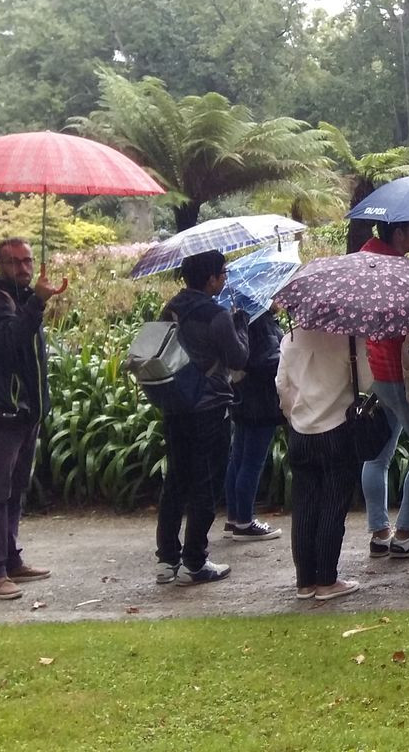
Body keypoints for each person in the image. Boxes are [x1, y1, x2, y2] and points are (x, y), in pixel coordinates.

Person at [0, 238, 66, 600]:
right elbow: (9, 343)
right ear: (0, 265)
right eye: (15, 263)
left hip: (24, 412)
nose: (24, 269)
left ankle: (9, 559)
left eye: (28, 261)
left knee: (14, 490)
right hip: (1, 411)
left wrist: (34, 302)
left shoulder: (20, 299)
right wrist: (38, 301)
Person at [155, 251, 248, 586]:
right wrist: (241, 327)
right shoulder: (216, 314)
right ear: (210, 278)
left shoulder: (171, 309)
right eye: (222, 273)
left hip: (175, 404)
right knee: (206, 483)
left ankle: (166, 560)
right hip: (210, 407)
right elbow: (238, 359)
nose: (224, 278)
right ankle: (195, 559)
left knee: (176, 480)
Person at [278, 324, 365, 602]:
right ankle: (327, 580)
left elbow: (282, 385)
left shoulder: (290, 337)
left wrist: (293, 415)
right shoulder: (348, 338)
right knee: (332, 505)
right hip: (336, 429)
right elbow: (366, 381)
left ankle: (305, 581)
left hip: (300, 432)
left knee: (304, 505)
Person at [358, 220, 409, 558]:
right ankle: (406, 532)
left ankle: (379, 532)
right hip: (401, 373)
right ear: (397, 235)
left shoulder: (364, 263)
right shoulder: (396, 271)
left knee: (379, 455)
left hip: (377, 374)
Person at [223, 304, 286, 542]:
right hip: (261, 402)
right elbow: (266, 361)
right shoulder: (262, 322)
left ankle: (234, 517)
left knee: (238, 458)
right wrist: (286, 353)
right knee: (252, 461)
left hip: (242, 398)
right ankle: (245, 522)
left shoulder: (241, 316)